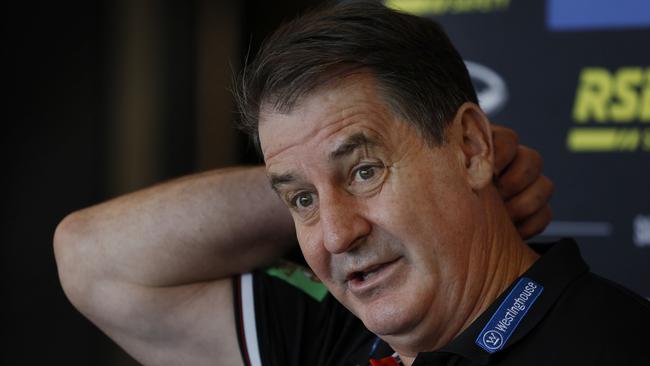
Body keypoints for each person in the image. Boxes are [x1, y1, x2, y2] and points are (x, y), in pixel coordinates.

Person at [53, 2, 648, 366]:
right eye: (303, 201)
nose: (336, 235)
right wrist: (298, 180)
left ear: (469, 147)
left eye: (364, 171)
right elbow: (92, 257)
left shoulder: (617, 346)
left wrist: (307, 180)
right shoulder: (332, 333)